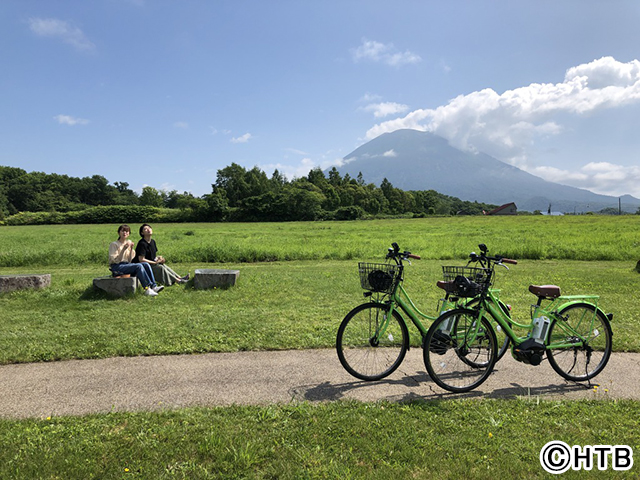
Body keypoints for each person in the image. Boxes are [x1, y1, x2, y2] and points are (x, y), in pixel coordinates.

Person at [108, 224, 163, 296]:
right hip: (117, 266)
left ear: (129, 233)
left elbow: (130, 260)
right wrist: (123, 249)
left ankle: (153, 286)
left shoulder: (128, 244)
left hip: (126, 265)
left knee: (145, 264)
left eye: (127, 231)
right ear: (119, 233)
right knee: (138, 266)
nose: (125, 233)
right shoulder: (114, 244)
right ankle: (146, 289)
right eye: (123, 231)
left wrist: (130, 249)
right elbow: (116, 260)